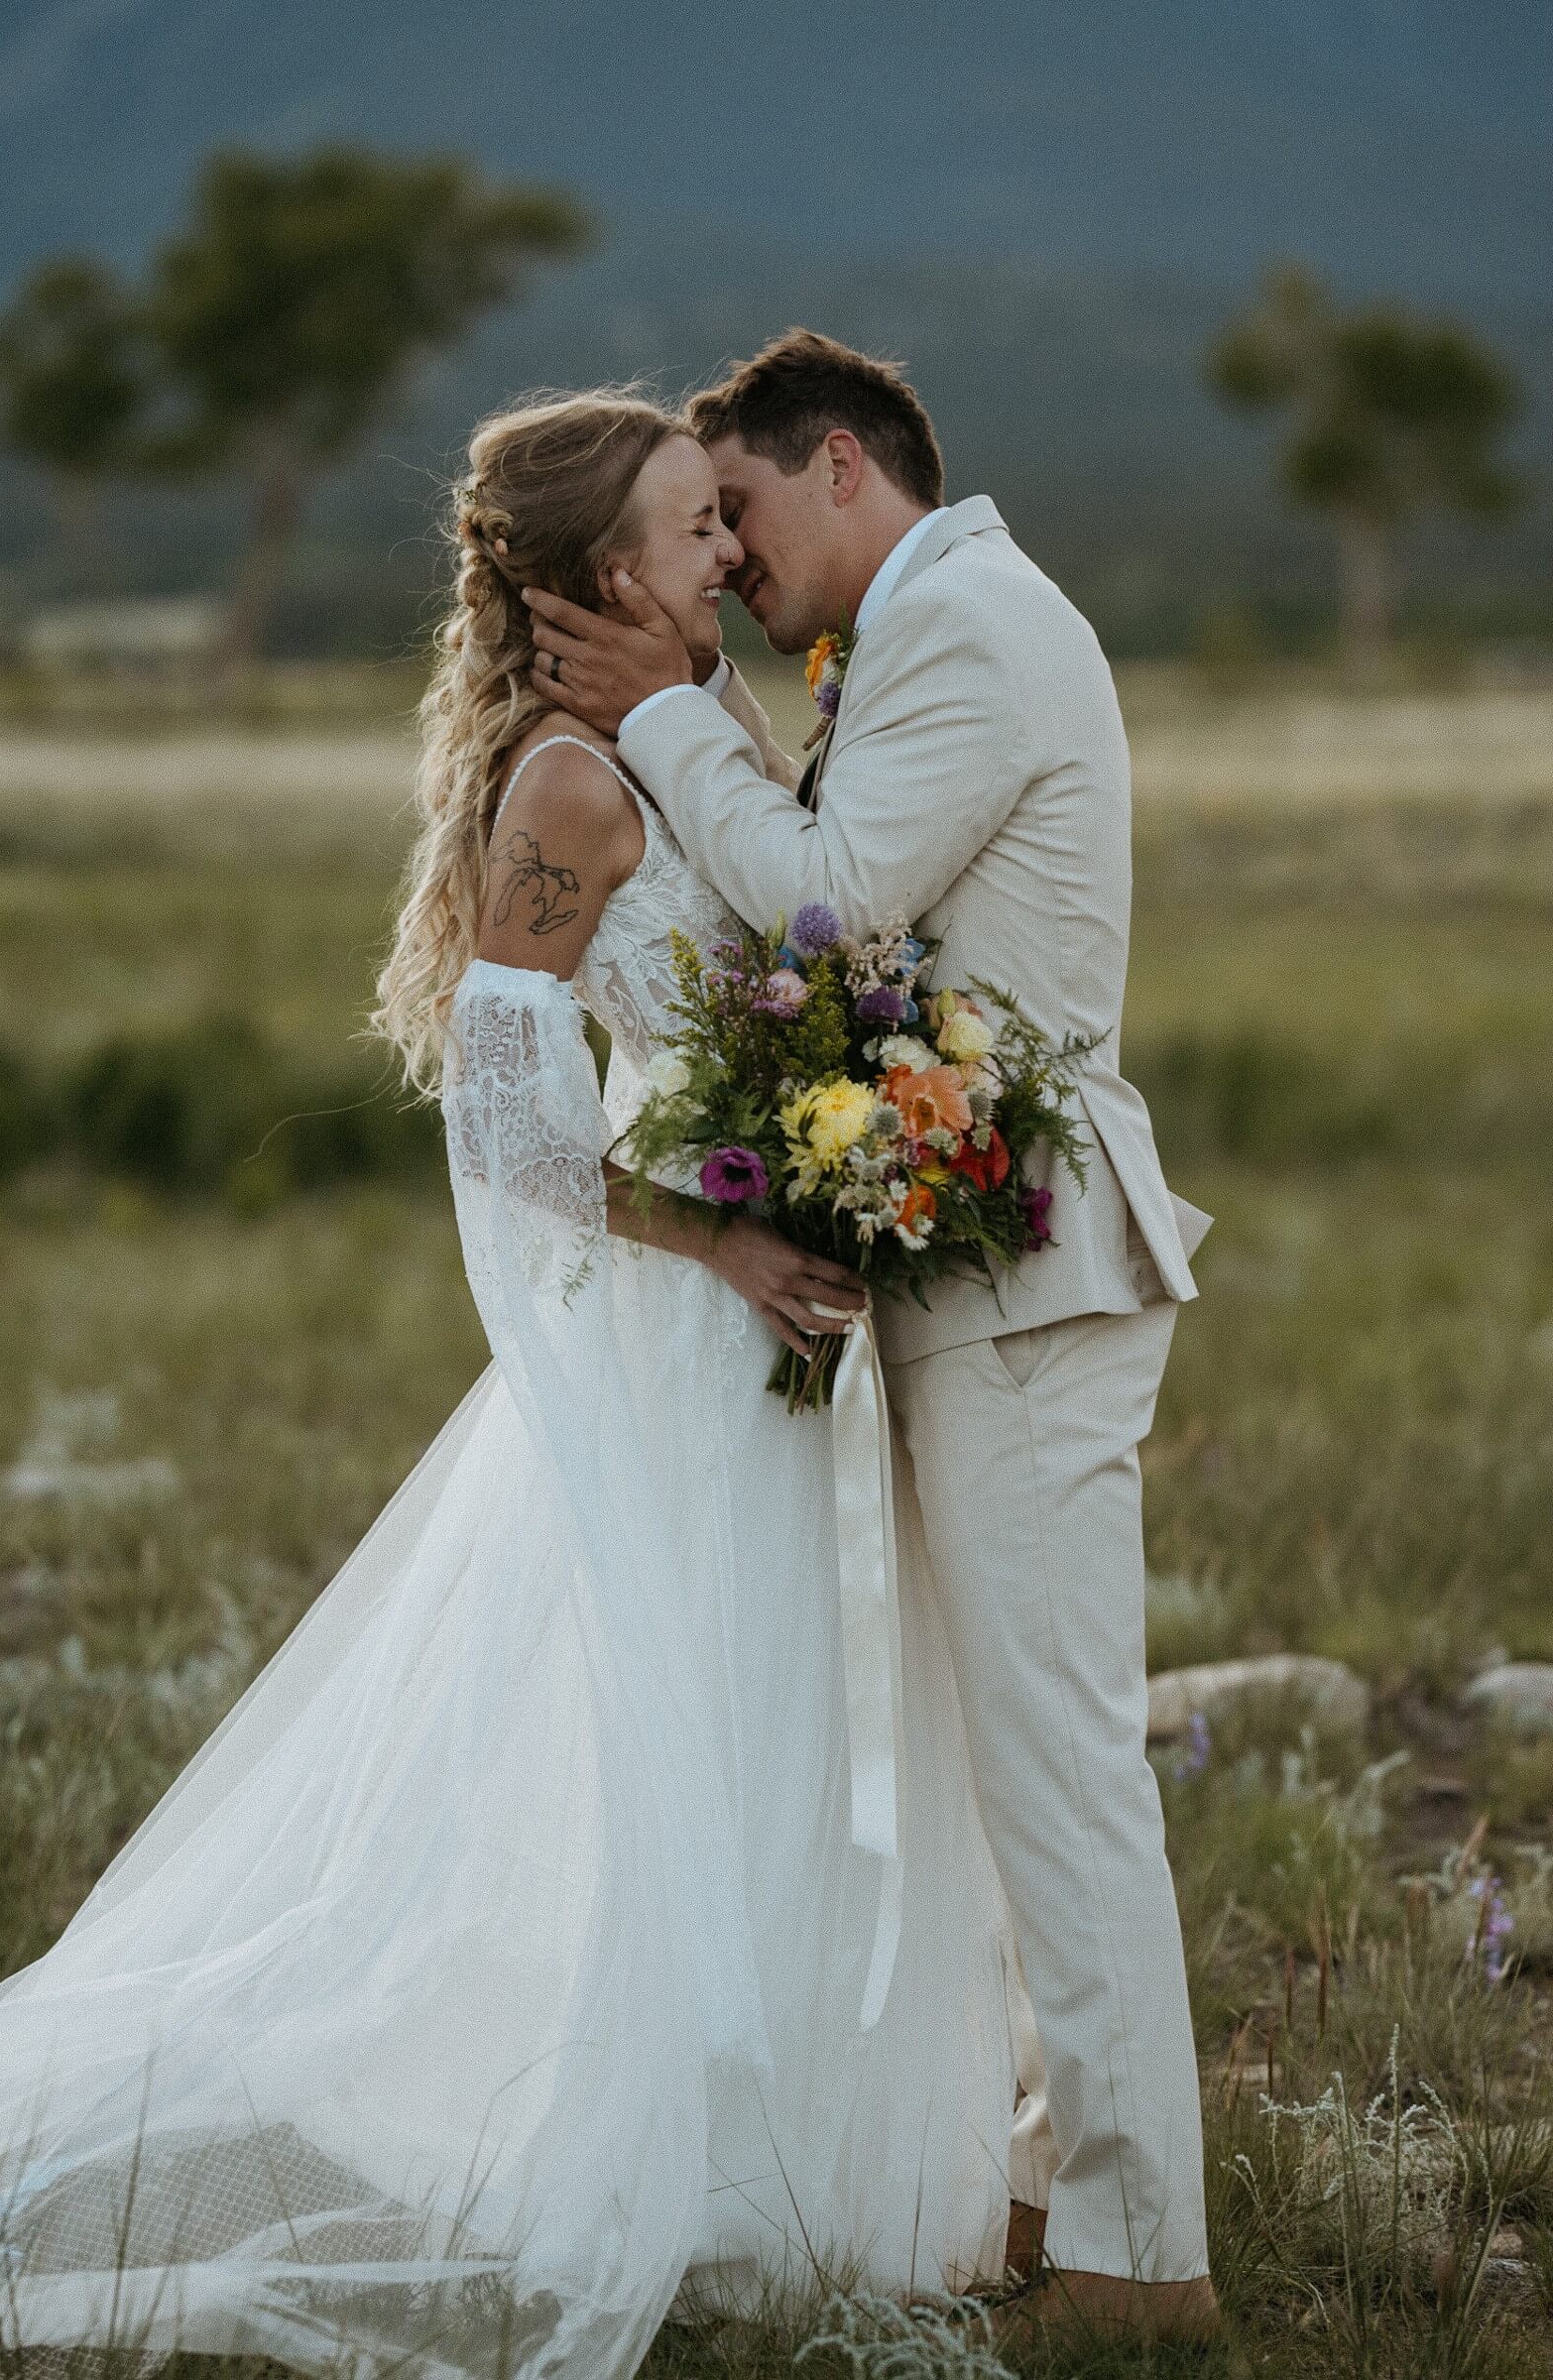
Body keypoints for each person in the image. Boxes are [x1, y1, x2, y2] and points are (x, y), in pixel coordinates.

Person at [0, 393, 1023, 2380]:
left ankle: (775, 2150)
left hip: (755, 1317)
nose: (727, 549)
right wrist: (721, 1233)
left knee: (768, 1727)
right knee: (693, 1738)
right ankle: (681, 2159)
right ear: (602, 577)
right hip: (683, 1338)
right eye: (690, 526)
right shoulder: (570, 792)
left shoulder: (670, 748)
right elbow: (511, 1127)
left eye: (725, 520)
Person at [523, 332, 1222, 2345]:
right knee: (994, 1761)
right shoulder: (911, 635)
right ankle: (1037, 2172)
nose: (722, 562)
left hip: (1027, 1267)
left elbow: (828, 909)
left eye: (729, 511)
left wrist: (666, 718)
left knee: (1057, 1762)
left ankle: (1138, 2252)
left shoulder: (974, 631)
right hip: (967, 1253)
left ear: (840, 464)